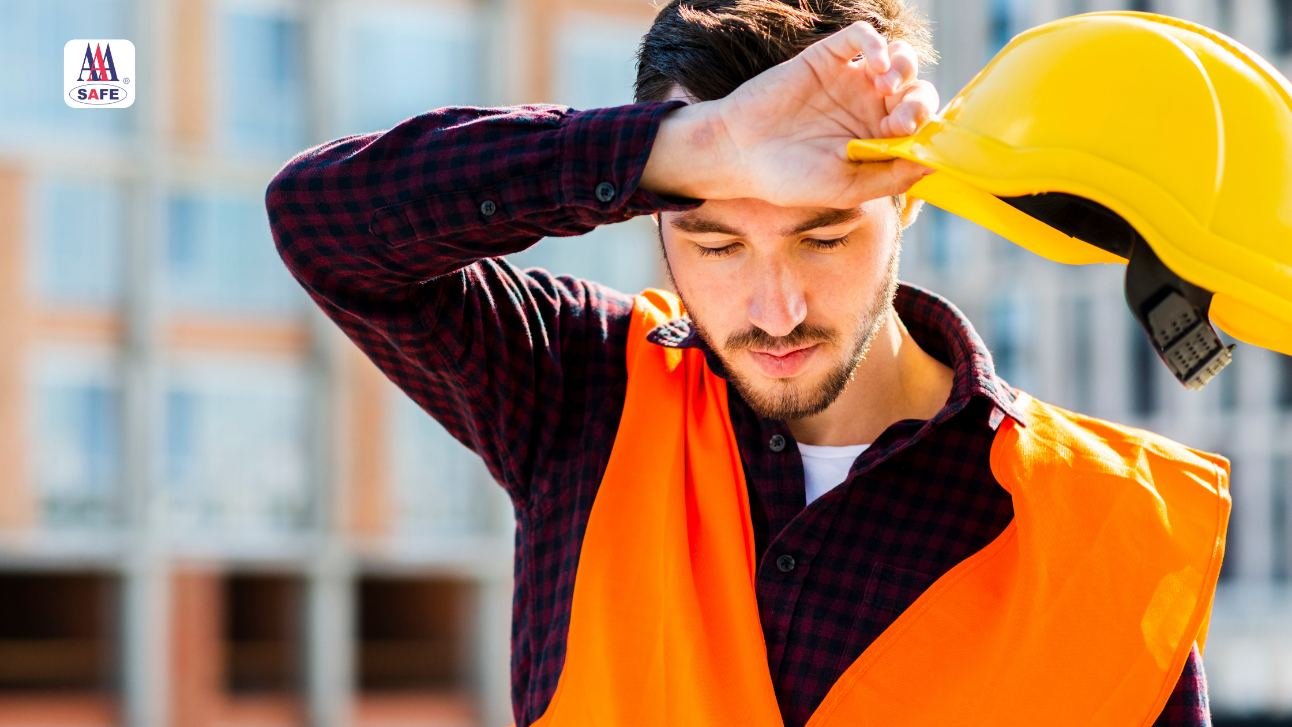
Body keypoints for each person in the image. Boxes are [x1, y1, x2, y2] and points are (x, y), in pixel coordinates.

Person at [265, 1, 1223, 724]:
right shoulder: (581, 389)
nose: (777, 312)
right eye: (717, 241)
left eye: (825, 235)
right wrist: (705, 145)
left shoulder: (1109, 532)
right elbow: (322, 218)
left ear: (911, 200)